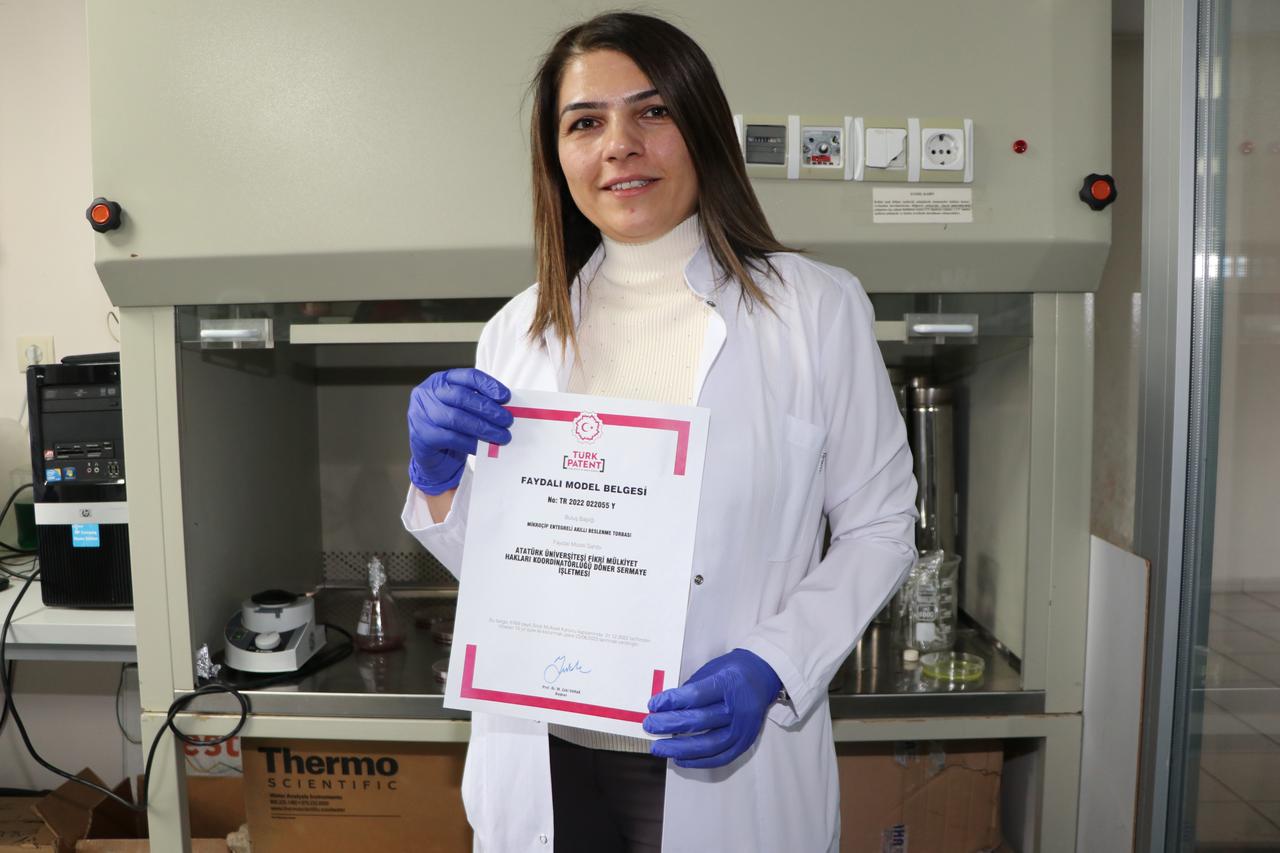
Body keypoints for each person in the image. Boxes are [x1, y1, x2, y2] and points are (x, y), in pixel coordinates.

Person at [402, 12, 917, 853]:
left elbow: (881, 524)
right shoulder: (516, 332)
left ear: (702, 128)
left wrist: (774, 665)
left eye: (653, 112)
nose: (619, 145)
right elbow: (505, 567)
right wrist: (436, 477)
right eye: (585, 122)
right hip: (545, 755)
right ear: (556, 155)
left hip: (723, 765)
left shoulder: (811, 308)